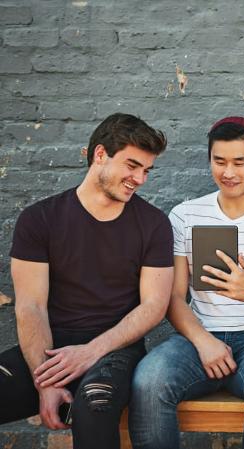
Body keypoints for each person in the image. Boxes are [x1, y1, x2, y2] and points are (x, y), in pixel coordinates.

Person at [129, 117, 244, 449]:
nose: (229, 172)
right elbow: (174, 298)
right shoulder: (185, 215)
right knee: (148, 380)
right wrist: (202, 341)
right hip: (199, 333)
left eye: (239, 162)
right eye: (219, 161)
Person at [0, 113, 172, 449]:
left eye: (146, 170)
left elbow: (154, 306)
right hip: (48, 348)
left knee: (96, 405)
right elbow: (31, 306)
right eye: (132, 165)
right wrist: (44, 381)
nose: (139, 179)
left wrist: (90, 352)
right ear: (99, 155)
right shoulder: (40, 219)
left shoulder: (153, 224)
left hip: (115, 350)